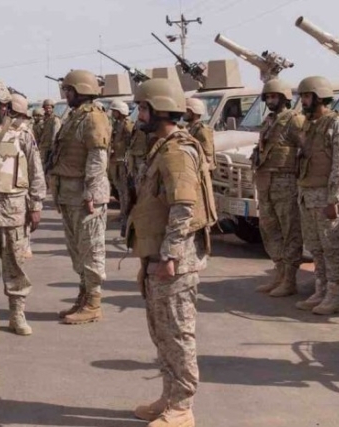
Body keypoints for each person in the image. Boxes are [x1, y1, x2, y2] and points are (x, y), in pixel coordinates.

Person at [127, 78, 216, 427]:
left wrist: (169, 256)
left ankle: (182, 407)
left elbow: (183, 208)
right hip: (159, 255)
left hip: (175, 260)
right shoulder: (162, 148)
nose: (139, 114)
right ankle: (169, 396)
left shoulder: (177, 152)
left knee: (177, 334)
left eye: (143, 108)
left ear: (160, 110)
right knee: (162, 332)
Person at [0, 82, 45, 336]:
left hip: (15, 209)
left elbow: (35, 171)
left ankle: (17, 313)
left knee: (16, 264)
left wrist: (36, 204)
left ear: (4, 106)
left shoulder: (21, 133)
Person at [48, 69, 111, 325]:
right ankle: (84, 297)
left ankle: (93, 303)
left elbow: (97, 156)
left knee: (91, 249)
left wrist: (91, 191)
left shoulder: (93, 117)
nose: (65, 94)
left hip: (85, 196)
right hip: (70, 195)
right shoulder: (75, 116)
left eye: (68, 90)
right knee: (78, 251)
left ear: (80, 90)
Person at [293, 76, 339, 315]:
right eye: (302, 96)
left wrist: (335, 200)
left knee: (331, 248)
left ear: (319, 97)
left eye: (307, 96)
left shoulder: (336, 124)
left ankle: (334, 295)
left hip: (326, 198)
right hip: (308, 195)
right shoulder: (310, 125)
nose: (303, 101)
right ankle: (320, 290)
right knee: (315, 248)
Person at [249, 79, 305, 298]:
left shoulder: (294, 120)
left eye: (274, 97)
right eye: (268, 97)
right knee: (269, 229)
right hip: (266, 184)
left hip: (286, 184)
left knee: (290, 231)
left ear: (284, 98)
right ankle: (279, 272)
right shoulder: (269, 121)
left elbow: (306, 149)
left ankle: (289, 279)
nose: (271, 101)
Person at [108, 99, 134, 233]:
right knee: (119, 189)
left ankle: (126, 215)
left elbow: (131, 143)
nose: (113, 114)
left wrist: (127, 158)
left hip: (123, 161)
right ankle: (122, 213)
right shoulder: (117, 124)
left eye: (115, 111)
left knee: (125, 191)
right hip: (116, 160)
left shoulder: (127, 124)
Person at [184, 98, 215, 170]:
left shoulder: (202, 130)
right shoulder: (189, 127)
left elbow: (208, 155)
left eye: (187, 111)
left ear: (194, 112)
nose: (184, 113)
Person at [39, 98, 61, 169]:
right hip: (43, 147)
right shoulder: (44, 120)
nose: (48, 110)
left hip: (50, 149)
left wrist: (52, 149)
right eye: (46, 108)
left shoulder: (55, 120)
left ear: (52, 108)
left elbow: (55, 136)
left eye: (49, 108)